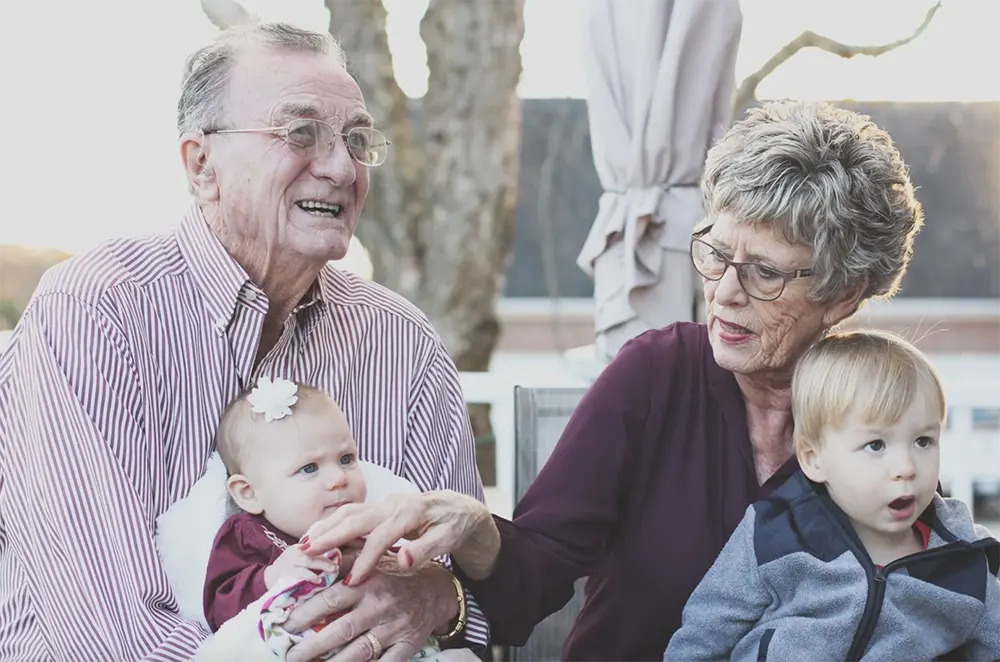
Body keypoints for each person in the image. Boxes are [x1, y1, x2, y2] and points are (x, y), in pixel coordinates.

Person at [296, 100, 930, 661]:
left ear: (843, 294)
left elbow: (925, 596)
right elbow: (531, 582)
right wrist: (476, 525)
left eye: (764, 272)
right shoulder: (655, 375)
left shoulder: (884, 413)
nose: (724, 293)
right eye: (715, 252)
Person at [0, 22, 490, 662]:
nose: (342, 167)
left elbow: (472, 608)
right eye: (300, 132)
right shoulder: (95, 311)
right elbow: (107, 634)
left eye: (357, 140)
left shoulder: (402, 340)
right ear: (202, 165)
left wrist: (439, 597)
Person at [664, 330, 1000, 661]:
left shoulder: (966, 562)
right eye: (876, 445)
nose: (906, 467)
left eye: (923, 441)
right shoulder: (775, 535)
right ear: (814, 458)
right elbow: (701, 639)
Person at [203, 377, 459, 661]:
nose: (338, 478)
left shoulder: (368, 527)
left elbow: (409, 586)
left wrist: (405, 565)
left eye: (347, 458)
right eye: (309, 467)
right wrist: (272, 576)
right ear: (249, 493)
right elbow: (219, 608)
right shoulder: (249, 535)